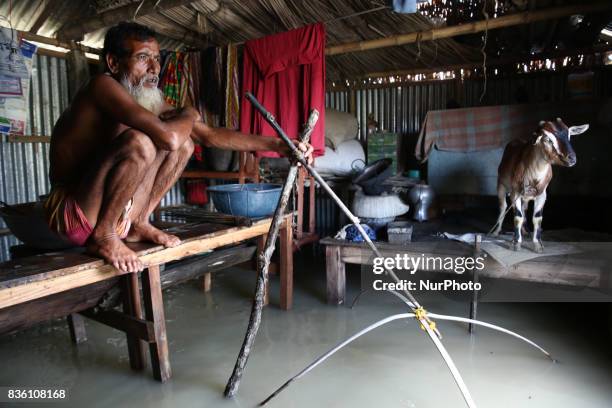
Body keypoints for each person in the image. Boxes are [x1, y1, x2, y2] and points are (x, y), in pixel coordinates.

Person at [45, 22, 313, 273]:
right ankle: (105, 236)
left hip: (110, 214)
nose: (154, 68)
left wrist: (282, 145)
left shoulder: (144, 98)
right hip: (72, 215)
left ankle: (138, 222)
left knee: (185, 143)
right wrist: (189, 113)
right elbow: (168, 138)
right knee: (143, 142)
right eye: (142, 58)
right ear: (113, 63)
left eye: (157, 58)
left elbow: (207, 136)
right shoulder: (102, 85)